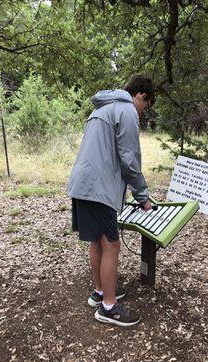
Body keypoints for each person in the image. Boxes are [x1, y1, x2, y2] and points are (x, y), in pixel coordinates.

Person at [67, 74, 155, 327]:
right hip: (99, 187)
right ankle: (109, 308)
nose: (142, 112)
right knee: (112, 245)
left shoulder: (104, 108)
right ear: (141, 96)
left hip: (84, 183)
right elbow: (130, 159)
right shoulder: (126, 110)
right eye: (145, 107)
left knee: (97, 240)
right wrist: (143, 197)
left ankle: (100, 293)